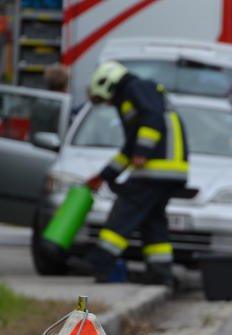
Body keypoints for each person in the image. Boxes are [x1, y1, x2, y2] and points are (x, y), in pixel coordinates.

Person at [81, 61, 189, 285]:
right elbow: (129, 148)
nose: (108, 103)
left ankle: (101, 261)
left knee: (125, 211)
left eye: (105, 98)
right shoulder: (133, 97)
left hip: (157, 168)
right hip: (170, 170)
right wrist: (105, 175)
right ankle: (160, 271)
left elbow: (153, 119)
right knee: (152, 220)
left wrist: (142, 151)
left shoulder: (135, 88)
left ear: (108, 84)